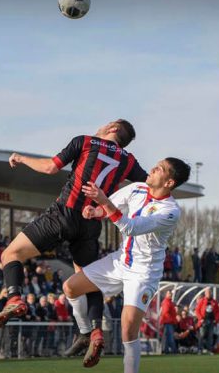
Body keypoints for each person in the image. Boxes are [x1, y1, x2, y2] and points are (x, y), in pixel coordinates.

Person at [0, 120, 148, 363]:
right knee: (88, 280)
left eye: (105, 124)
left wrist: (21, 159)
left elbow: (51, 167)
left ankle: (14, 297)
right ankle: (94, 331)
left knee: (10, 255)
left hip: (64, 213)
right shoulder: (128, 160)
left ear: (113, 128)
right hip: (91, 223)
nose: (100, 126)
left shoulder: (85, 141)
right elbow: (147, 187)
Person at [62, 158, 189, 372]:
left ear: (169, 182)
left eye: (159, 169)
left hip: (144, 272)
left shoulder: (170, 211)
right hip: (120, 261)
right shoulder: (136, 188)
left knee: (128, 329)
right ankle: (85, 333)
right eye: (155, 164)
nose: (152, 169)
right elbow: (110, 208)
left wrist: (103, 201)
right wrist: (96, 212)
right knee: (70, 287)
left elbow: (128, 227)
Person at [194, 287, 219, 354]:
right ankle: (200, 349)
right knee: (202, 335)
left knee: (210, 336)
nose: (208, 294)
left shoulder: (214, 301)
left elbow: (218, 312)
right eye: (207, 293)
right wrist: (201, 319)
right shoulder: (202, 301)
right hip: (203, 321)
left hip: (211, 321)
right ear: (205, 294)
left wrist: (216, 319)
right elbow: (197, 310)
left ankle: (210, 350)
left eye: (209, 292)